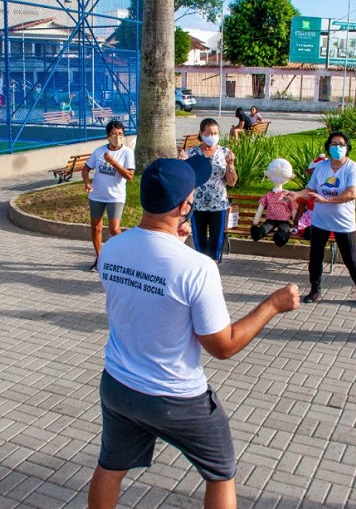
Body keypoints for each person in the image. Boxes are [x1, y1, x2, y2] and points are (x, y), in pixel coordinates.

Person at [87, 155, 300, 509]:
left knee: (110, 467)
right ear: (184, 206)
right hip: (176, 397)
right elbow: (223, 346)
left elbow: (149, 285)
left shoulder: (111, 250)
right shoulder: (197, 268)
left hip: (119, 386)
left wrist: (175, 242)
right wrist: (273, 305)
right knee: (221, 473)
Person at [288, 131, 356, 309]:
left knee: (351, 259)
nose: (337, 148)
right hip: (320, 222)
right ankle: (315, 289)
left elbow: (352, 193)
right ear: (328, 147)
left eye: (341, 144)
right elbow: (310, 190)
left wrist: (327, 200)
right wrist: (297, 194)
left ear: (347, 147)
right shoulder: (321, 167)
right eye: (334, 144)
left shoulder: (353, 168)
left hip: (344, 223)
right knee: (315, 257)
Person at [178, 117, 237, 262]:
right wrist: (181, 164)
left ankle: (214, 265)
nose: (213, 136)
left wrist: (230, 166)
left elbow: (232, 182)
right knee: (200, 241)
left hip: (218, 204)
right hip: (197, 204)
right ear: (201, 133)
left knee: (216, 241)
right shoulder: (191, 153)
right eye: (210, 133)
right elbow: (183, 180)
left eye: (216, 133)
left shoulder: (224, 152)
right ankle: (201, 265)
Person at [82, 120, 135, 272]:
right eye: (114, 134)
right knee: (96, 226)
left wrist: (112, 161)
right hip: (97, 195)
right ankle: (99, 258)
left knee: (114, 229)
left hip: (116, 196)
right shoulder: (99, 151)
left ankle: (121, 258)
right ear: (108, 136)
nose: (117, 137)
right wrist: (87, 183)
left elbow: (129, 176)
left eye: (120, 134)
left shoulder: (127, 152)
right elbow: (86, 169)